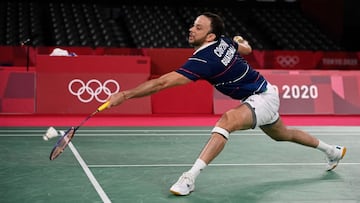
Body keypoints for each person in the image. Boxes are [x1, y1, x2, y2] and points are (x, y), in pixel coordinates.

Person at [106, 12, 346, 196]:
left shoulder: (204, 59)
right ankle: (333, 151)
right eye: (192, 25)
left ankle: (189, 178)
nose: (191, 29)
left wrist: (125, 95)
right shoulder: (223, 41)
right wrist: (239, 41)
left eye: (198, 27)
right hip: (263, 92)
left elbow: (162, 83)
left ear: (210, 36)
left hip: (261, 96)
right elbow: (247, 48)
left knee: (227, 120)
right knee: (283, 135)